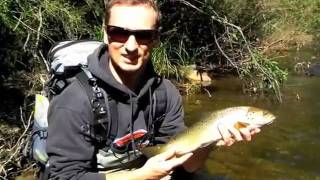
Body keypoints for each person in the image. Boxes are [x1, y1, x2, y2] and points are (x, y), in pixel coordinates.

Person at [46, 0, 261, 179]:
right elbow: (64, 177)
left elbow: (186, 165)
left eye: (143, 35)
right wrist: (142, 175)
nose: (130, 46)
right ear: (105, 35)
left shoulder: (164, 93)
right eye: (119, 33)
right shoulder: (75, 100)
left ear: (156, 39)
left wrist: (211, 139)